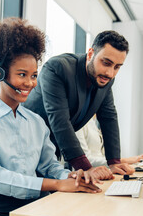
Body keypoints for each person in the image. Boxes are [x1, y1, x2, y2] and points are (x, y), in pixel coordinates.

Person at [0, 18, 101, 216]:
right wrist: (54, 185)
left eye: (34, 75)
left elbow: (49, 166)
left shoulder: (36, 121)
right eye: (22, 75)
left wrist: (71, 176)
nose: (30, 83)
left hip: (34, 206)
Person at [23, 30, 134, 179]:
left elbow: (109, 117)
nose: (110, 73)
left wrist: (114, 162)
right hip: (26, 145)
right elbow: (59, 119)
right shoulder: (58, 68)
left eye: (117, 67)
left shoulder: (106, 79)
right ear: (90, 54)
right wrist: (86, 168)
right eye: (106, 63)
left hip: (52, 151)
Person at [76, 115, 143, 167]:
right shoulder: (79, 123)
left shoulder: (94, 121)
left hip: (104, 171)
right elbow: (86, 160)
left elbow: (102, 155)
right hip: (89, 174)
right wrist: (123, 160)